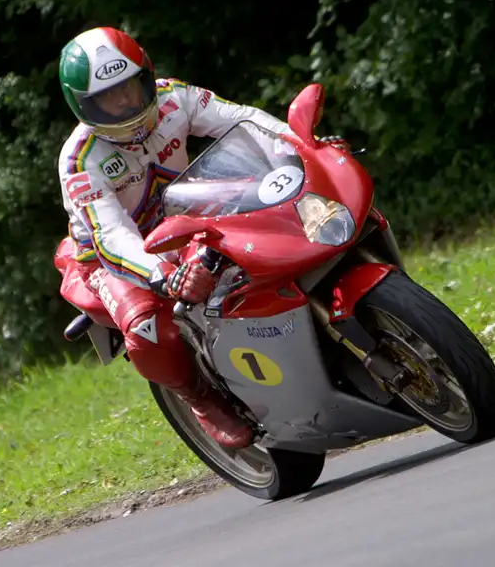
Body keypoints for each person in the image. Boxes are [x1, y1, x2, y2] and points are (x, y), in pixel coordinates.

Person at [53, 26, 341, 449]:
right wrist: (162, 276)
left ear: (147, 77)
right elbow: (112, 235)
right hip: (110, 258)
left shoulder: (174, 97)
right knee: (149, 323)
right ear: (81, 106)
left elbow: (242, 119)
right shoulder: (79, 160)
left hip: (186, 211)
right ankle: (199, 397)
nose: (125, 104)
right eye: (107, 99)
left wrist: (301, 148)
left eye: (131, 88)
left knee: (272, 224)